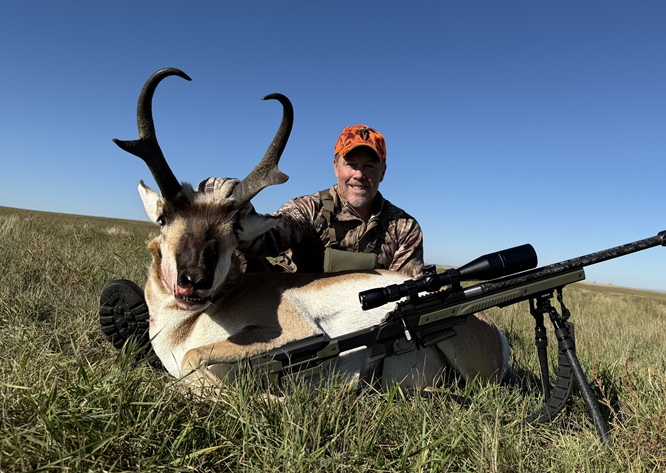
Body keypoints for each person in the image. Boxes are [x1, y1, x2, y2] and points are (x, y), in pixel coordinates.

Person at [99, 124, 424, 361]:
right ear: (337, 166)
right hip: (283, 295)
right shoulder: (309, 208)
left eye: (370, 166)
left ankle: (164, 346)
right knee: (240, 264)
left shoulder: (404, 228)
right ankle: (166, 334)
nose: (359, 174)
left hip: (348, 308)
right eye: (352, 164)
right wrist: (232, 203)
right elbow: (268, 236)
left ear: (383, 170)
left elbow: (408, 287)